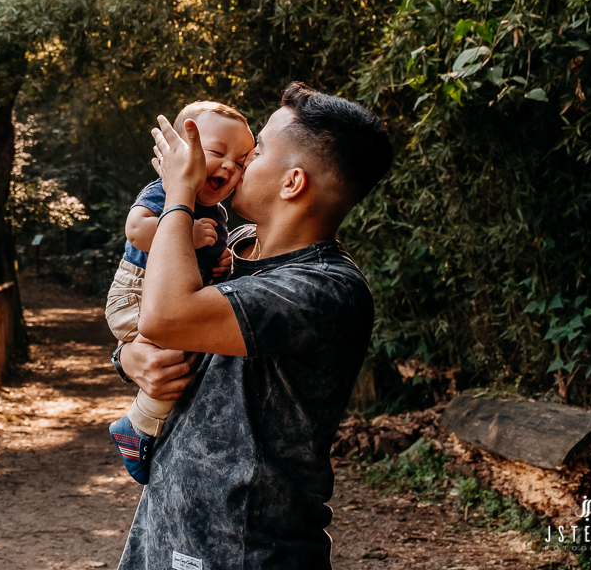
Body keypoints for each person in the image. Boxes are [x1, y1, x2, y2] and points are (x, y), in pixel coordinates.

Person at [115, 82, 393, 570]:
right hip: (164, 528)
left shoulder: (323, 288)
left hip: (246, 548)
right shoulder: (230, 244)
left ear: (293, 183)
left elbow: (167, 316)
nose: (240, 165)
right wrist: (128, 356)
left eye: (256, 152)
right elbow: (148, 314)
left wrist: (178, 192)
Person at [105, 101, 255, 484]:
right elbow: (136, 230)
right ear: (178, 154)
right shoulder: (164, 191)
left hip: (167, 300)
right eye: (217, 152)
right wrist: (184, 227)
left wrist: (219, 262)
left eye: (241, 162)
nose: (230, 167)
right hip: (136, 294)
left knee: (178, 361)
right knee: (176, 355)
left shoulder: (219, 215)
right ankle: (138, 427)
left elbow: (203, 262)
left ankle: (139, 427)